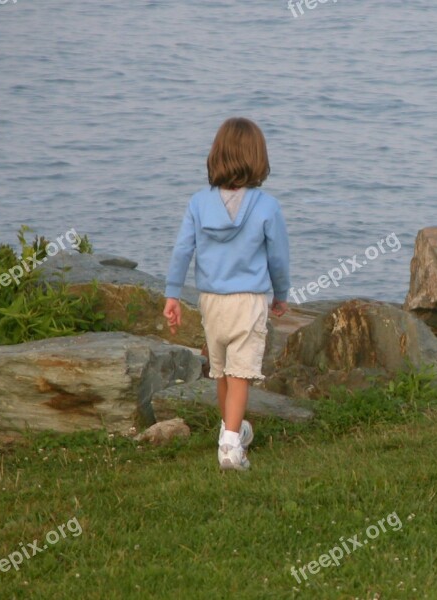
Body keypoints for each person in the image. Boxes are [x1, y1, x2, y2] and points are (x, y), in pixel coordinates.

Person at [163, 117, 290, 471]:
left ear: (216, 156)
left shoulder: (198, 204)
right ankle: (231, 449)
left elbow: (181, 251)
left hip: (211, 300)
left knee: (221, 371)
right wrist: (281, 294)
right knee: (240, 374)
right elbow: (278, 258)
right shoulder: (267, 206)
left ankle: (230, 430)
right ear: (258, 158)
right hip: (248, 300)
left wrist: (172, 295)